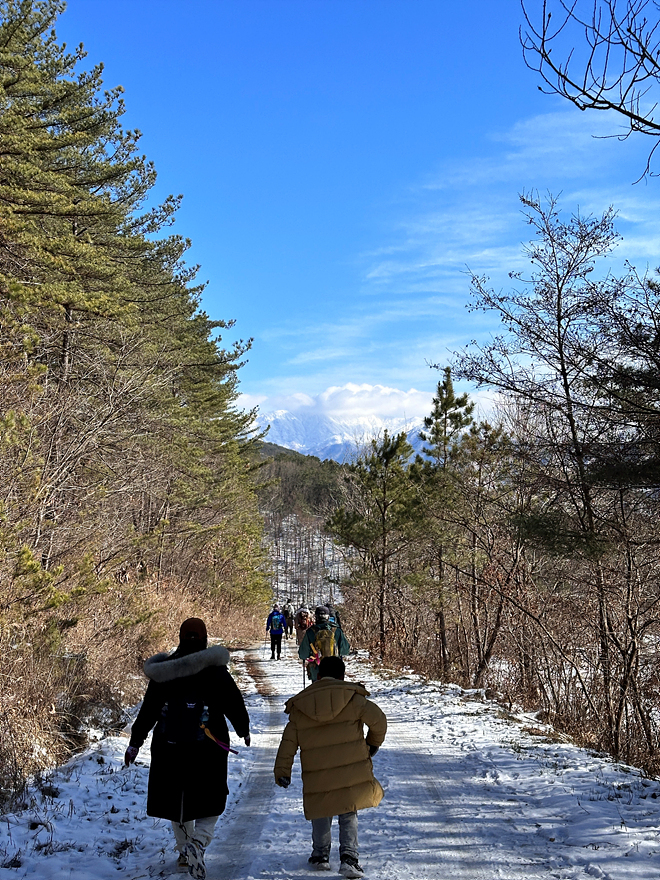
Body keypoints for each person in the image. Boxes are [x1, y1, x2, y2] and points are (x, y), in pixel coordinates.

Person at [124, 618, 250, 880]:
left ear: (180, 638)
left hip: (169, 747)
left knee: (177, 798)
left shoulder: (164, 672)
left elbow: (148, 710)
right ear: (204, 638)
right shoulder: (215, 670)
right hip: (209, 745)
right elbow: (233, 701)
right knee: (212, 796)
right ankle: (199, 842)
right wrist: (243, 729)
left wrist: (135, 742)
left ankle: (184, 852)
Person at [273, 656, 387, 878]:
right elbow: (379, 721)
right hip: (349, 769)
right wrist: (372, 744)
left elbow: (288, 742)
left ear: (318, 675)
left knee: (321, 808)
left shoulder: (302, 704)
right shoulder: (353, 698)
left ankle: (320, 856)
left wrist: (282, 771)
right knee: (348, 810)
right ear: (342, 676)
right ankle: (349, 858)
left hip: (317, 771)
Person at [299, 605, 350, 682]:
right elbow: (345, 651)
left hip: (317, 672)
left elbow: (303, 654)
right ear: (328, 617)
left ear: (316, 617)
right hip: (335, 670)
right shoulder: (337, 631)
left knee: (319, 689)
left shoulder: (310, 632)